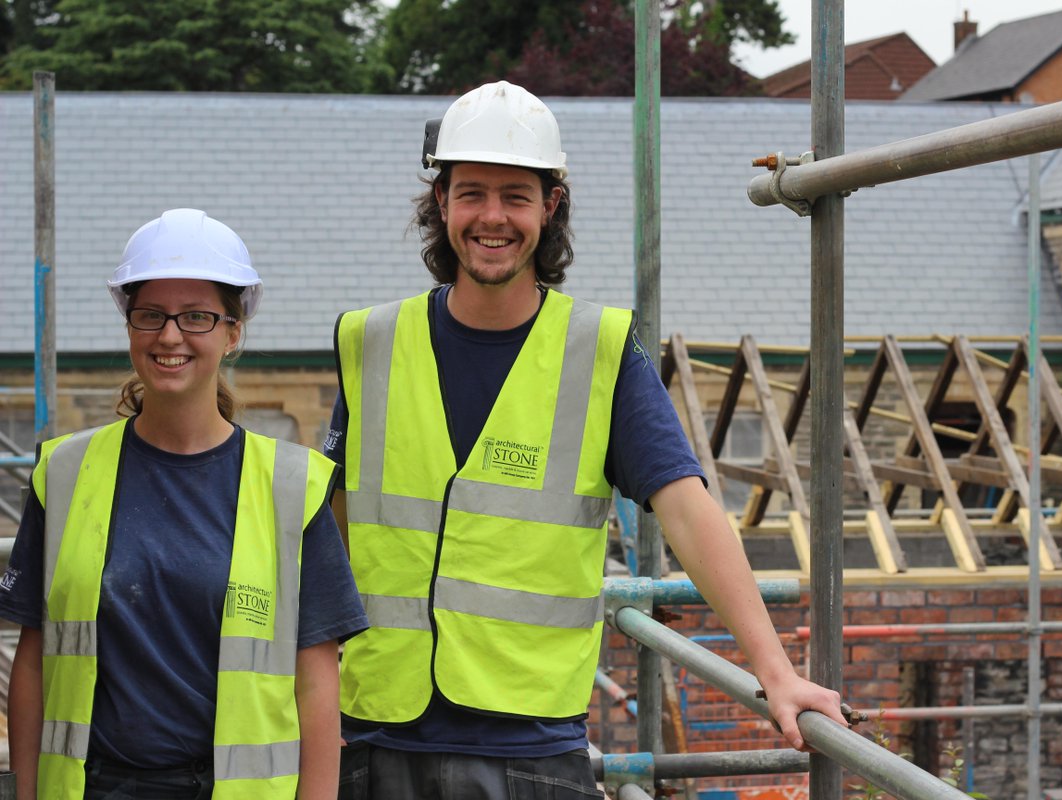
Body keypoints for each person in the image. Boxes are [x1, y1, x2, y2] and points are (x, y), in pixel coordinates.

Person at [325, 81, 846, 799]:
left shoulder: (597, 352)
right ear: (441, 201)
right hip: (377, 736)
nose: (492, 217)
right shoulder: (371, 341)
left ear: (551, 206)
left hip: (530, 749)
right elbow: (334, 526)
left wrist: (775, 670)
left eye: (516, 196)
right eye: (471, 193)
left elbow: (688, 509)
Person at [0, 208, 368, 800]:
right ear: (129, 325)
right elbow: (35, 659)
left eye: (197, 316)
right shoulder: (65, 474)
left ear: (233, 331)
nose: (170, 336)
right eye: (151, 314)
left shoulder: (291, 488)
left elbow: (316, 683)